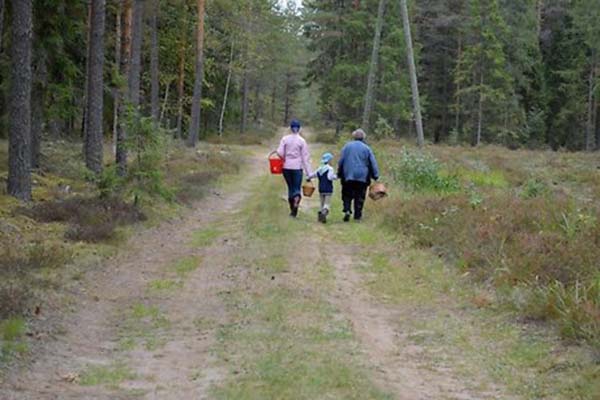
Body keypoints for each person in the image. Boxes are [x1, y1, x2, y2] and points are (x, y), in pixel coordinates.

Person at [337, 128, 380, 222]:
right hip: (362, 176)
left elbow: (341, 161)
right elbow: (372, 162)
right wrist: (375, 175)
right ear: (363, 137)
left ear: (354, 137)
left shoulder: (347, 146)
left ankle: (347, 210)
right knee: (359, 196)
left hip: (348, 174)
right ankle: (357, 216)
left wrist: (339, 173)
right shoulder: (367, 148)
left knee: (347, 194)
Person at [277, 119, 312, 217]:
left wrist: (284, 158)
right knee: (297, 187)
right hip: (297, 167)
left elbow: (279, 152)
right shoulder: (302, 141)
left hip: (286, 166)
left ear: (290, 128)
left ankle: (292, 208)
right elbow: (305, 157)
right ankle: (296, 201)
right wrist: (309, 173)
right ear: (299, 129)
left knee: (290, 187)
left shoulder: (285, 139)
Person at [307, 152, 338, 224]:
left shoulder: (320, 169)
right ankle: (324, 213)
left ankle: (321, 217)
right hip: (328, 189)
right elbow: (330, 177)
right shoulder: (330, 169)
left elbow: (313, 175)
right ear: (329, 160)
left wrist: (308, 177)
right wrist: (336, 177)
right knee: (327, 203)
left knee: (322, 203)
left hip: (321, 189)